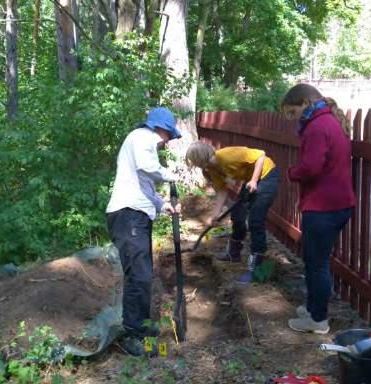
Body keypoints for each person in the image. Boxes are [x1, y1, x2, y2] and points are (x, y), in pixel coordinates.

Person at [281, 83, 356, 334]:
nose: (293, 120)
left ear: (305, 103)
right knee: (316, 260)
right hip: (338, 204)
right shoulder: (329, 122)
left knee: (317, 263)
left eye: (293, 113)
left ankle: (318, 319)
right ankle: (313, 307)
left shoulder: (317, 127)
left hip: (324, 207)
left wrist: (293, 172)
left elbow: (311, 167)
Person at [106, 107, 181, 356]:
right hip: (128, 215)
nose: (167, 143)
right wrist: (171, 176)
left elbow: (145, 185)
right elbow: (148, 167)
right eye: (169, 137)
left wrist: (162, 204)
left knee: (144, 274)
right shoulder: (142, 137)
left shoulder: (143, 143)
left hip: (136, 215)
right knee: (138, 275)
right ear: (162, 129)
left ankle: (142, 328)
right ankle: (132, 335)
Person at [185, 142, 279, 284]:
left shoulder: (227, 156)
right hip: (251, 180)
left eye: (194, 161)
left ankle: (255, 268)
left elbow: (260, 155)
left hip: (267, 175)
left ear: (199, 158)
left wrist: (253, 181)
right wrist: (215, 215)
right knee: (237, 215)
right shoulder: (212, 169)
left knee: (255, 221)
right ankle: (233, 253)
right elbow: (222, 191)